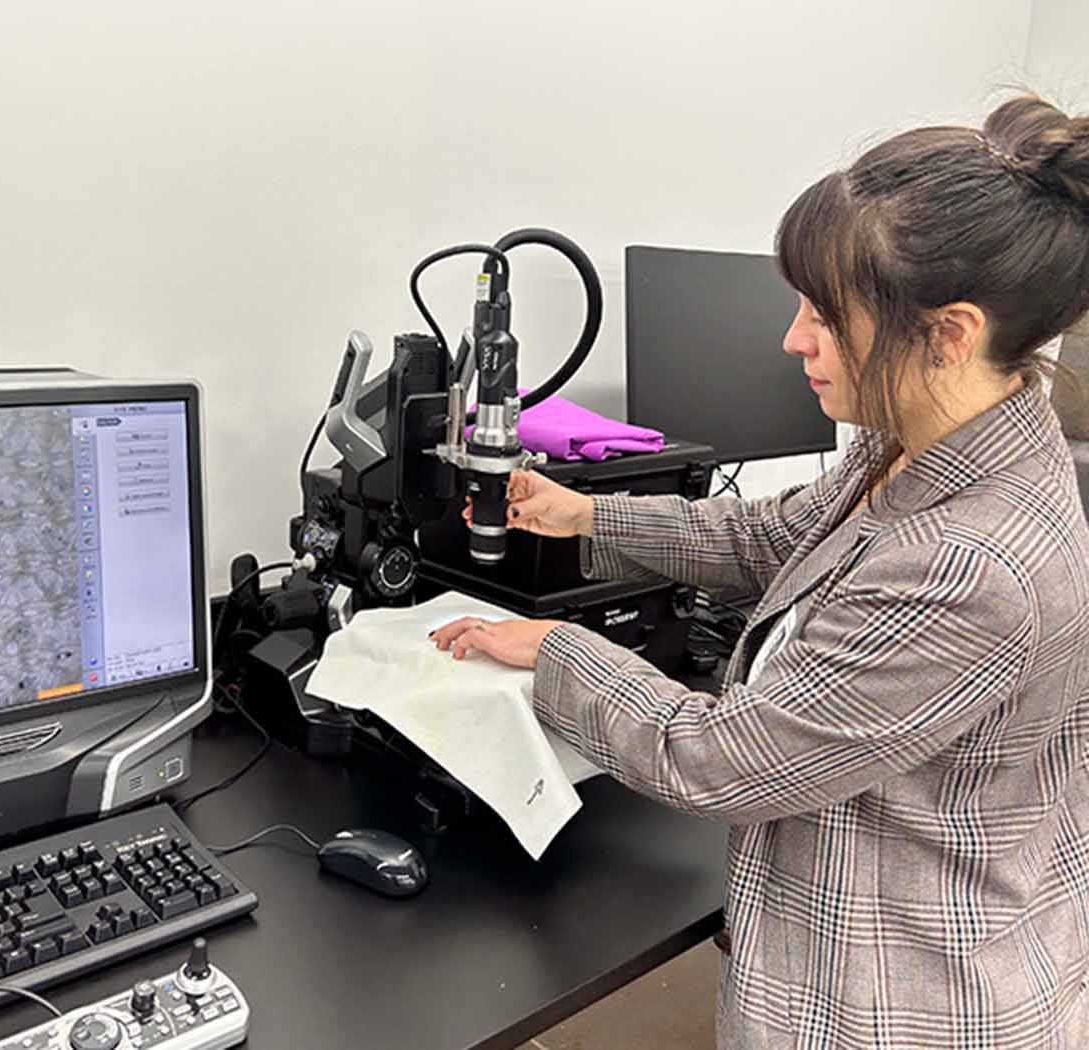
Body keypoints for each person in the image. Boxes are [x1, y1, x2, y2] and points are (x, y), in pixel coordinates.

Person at [430, 94, 1089, 1049]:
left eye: (826, 313)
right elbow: (773, 540)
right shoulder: (936, 441)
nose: (795, 339)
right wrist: (585, 515)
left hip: (898, 1001)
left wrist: (556, 651)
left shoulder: (972, 563)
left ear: (949, 333)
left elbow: (715, 760)